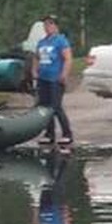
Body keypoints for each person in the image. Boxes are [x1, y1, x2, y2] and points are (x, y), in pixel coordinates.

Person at [32, 14, 75, 146]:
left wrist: (64, 74)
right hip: (43, 78)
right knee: (44, 106)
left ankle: (67, 133)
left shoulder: (61, 41)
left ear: (55, 26)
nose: (47, 27)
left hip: (55, 78)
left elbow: (68, 58)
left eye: (50, 24)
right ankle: (49, 133)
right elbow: (36, 57)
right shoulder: (42, 42)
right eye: (45, 24)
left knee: (55, 106)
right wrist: (34, 70)